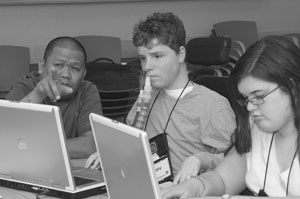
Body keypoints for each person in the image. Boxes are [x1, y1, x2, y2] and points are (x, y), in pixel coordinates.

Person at [86, 12, 236, 184]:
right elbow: (130, 135)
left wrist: (200, 159)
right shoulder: (147, 96)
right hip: (142, 184)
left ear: (180, 54)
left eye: (157, 56)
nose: (147, 67)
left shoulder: (213, 106)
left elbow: (237, 164)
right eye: (143, 58)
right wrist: (111, 150)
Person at [161, 35, 300, 198]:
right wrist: (195, 186)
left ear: (292, 86)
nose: (250, 106)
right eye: (246, 98)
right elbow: (223, 179)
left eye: (259, 96)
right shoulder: (256, 126)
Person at [6, 36, 103, 159]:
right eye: (58, 65)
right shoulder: (27, 86)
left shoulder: (87, 90)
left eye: (75, 68)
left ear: (83, 74)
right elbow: (5, 134)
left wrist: (33, 147)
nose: (66, 74)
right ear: (42, 66)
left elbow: (90, 145)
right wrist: (38, 94)